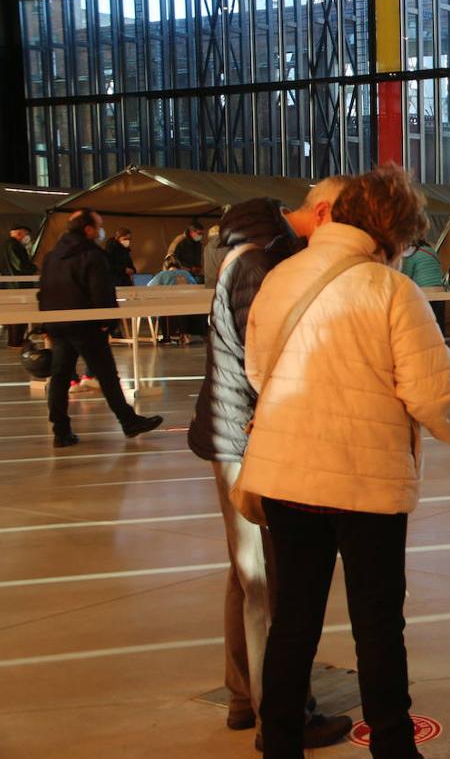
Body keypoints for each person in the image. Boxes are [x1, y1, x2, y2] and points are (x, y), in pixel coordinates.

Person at [238, 166, 450, 759]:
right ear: (395, 228)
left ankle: (280, 743)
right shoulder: (390, 290)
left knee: (294, 619)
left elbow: (258, 369)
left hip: (286, 472)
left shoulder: (280, 276)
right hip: (368, 481)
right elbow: (430, 396)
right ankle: (392, 745)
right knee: (378, 622)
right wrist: (441, 423)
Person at [186, 196, 349, 752]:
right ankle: (278, 715)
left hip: (225, 434)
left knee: (245, 575)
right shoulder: (257, 265)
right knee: (267, 584)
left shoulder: (232, 260)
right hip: (245, 440)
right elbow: (267, 360)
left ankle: (242, 696)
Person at [36, 209, 163, 448]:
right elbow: (102, 292)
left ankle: (61, 431)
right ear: (88, 230)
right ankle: (129, 422)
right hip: (87, 326)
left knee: (60, 377)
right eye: (99, 225)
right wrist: (108, 322)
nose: (101, 230)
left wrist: (47, 325)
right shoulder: (92, 255)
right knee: (106, 375)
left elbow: (44, 291)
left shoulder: (53, 256)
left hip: (58, 326)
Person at [399, 239, 447, 334]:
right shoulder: (431, 250)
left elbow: (405, 276)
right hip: (440, 290)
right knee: (439, 322)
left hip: (425, 291)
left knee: (426, 323)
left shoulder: (412, 254)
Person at [3, 224, 39, 347]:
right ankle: (16, 340)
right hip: (17, 286)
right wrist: (34, 267)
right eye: (26, 234)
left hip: (10, 285)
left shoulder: (6, 245)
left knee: (14, 313)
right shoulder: (14, 245)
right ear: (19, 233)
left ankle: (15, 339)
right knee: (20, 313)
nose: (27, 237)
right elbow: (20, 265)